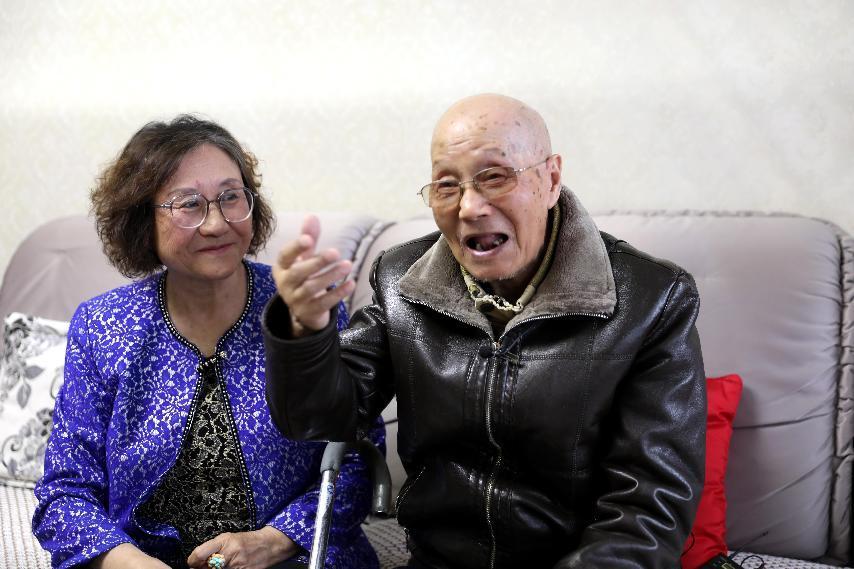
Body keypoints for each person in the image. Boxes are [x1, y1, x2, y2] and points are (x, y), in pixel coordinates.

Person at [263, 94, 707, 568]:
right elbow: (318, 419)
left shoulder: (651, 299)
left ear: (551, 179)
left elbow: (647, 512)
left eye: (495, 177)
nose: (470, 207)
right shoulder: (401, 281)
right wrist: (305, 331)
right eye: (446, 185)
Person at [32, 116, 382, 569]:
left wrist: (273, 541)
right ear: (142, 219)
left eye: (231, 197)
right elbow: (65, 492)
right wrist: (134, 564)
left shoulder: (301, 307)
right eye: (189, 204)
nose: (216, 224)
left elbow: (356, 458)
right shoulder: (102, 326)